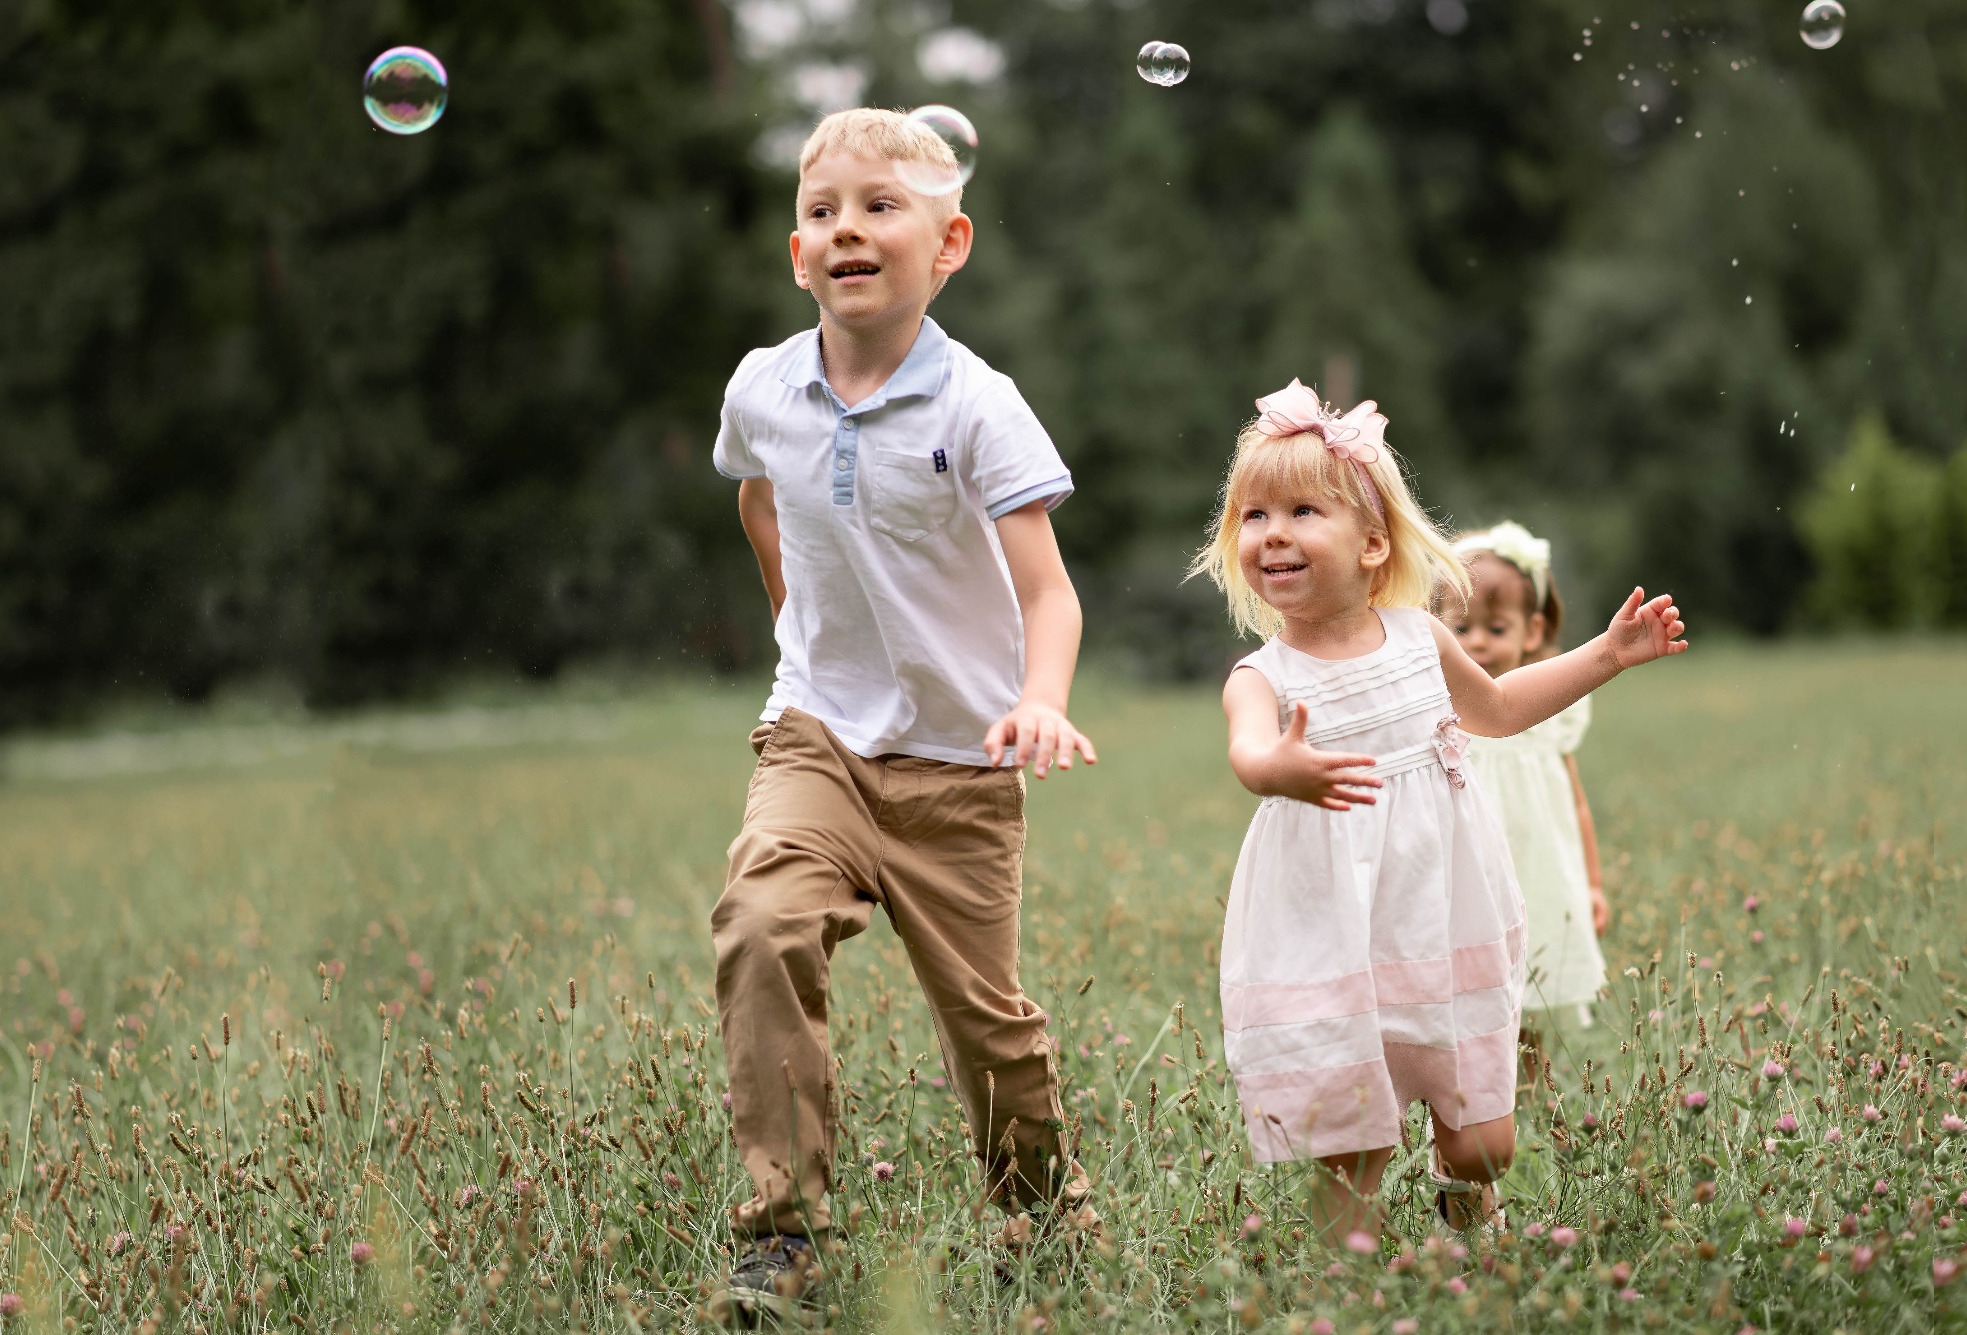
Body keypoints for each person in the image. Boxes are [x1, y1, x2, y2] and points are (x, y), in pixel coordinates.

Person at [707, 108, 1096, 1321]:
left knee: (988, 1027)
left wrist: (1039, 701)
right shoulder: (763, 386)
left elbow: (1049, 591)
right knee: (761, 924)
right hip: (816, 737)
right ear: (797, 255)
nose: (847, 229)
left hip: (959, 761)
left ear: (948, 245)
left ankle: (1043, 1214)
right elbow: (758, 499)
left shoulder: (977, 404)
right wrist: (800, 633)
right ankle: (782, 1236)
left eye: (881, 207)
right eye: (822, 212)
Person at [1191, 380, 1685, 1241]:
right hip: (1333, 925)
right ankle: (1347, 1276)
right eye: (1254, 515)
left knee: (1485, 1143)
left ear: (1374, 542)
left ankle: (1463, 1198)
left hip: (1441, 910)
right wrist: (1280, 768)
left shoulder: (1421, 639)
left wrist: (1606, 654)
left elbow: (1499, 707)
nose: (1272, 532)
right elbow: (1248, 752)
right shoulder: (1263, 675)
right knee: (1354, 1147)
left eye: (1303, 510)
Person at [1441, 523, 1609, 1053]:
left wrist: (1592, 884)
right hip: (1464, 887)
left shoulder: (1551, 711)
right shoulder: (1436, 712)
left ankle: (1530, 1103)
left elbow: (1577, 805)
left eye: (1496, 628)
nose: (1477, 642)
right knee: (1462, 1012)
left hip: (1539, 880)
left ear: (1532, 632)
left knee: (1531, 1015)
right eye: (1462, 628)